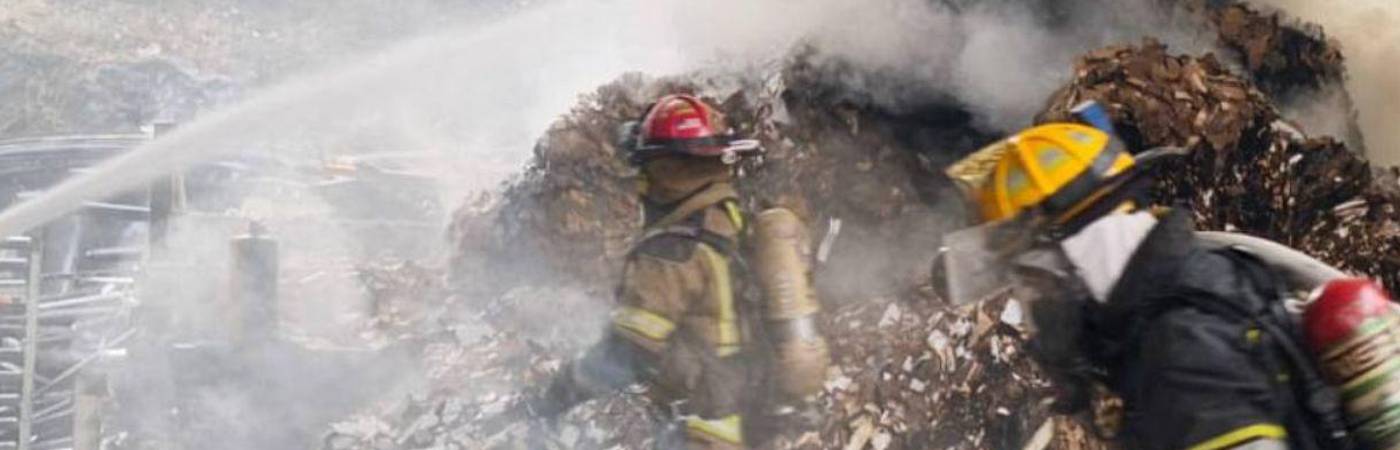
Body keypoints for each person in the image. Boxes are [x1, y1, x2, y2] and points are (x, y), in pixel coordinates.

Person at [939, 107, 1351, 450]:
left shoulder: (1182, 351)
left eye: (1031, 283)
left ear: (1064, 257)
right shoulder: (1192, 293)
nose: (1033, 310)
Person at [530, 94, 764, 450]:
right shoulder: (728, 218)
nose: (642, 181)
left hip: (702, 431)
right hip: (745, 416)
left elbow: (629, 350)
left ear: (665, 168)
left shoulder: (671, 252)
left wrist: (559, 394)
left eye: (646, 167)